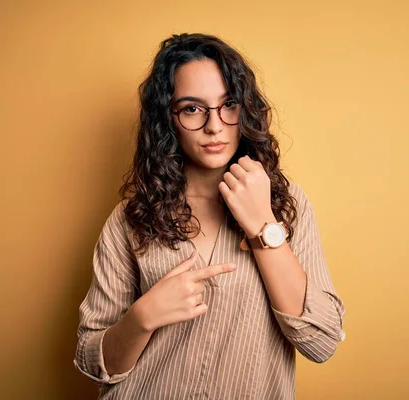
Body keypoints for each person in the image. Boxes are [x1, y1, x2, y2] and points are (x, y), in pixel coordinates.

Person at [74, 33, 346, 400]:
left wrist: (263, 225)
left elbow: (322, 342)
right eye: (192, 108)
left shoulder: (286, 205)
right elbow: (94, 366)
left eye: (228, 104)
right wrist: (142, 317)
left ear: (245, 110)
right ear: (167, 118)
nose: (214, 126)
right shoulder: (130, 219)